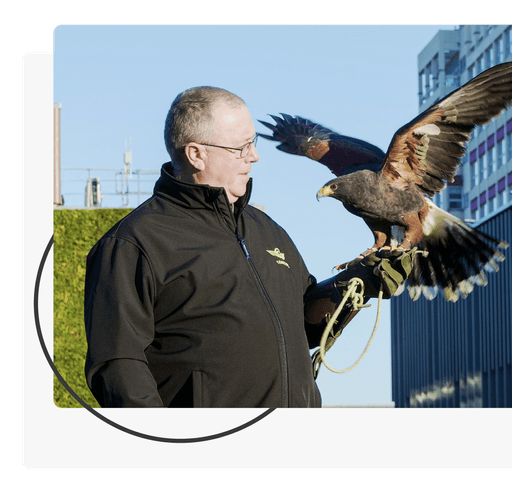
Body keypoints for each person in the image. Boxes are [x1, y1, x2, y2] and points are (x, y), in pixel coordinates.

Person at [83, 86, 414, 408]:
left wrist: (356, 285)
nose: (254, 156)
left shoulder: (268, 232)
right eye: (240, 147)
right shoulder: (134, 243)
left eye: (252, 143)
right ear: (196, 154)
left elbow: (306, 329)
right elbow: (117, 367)